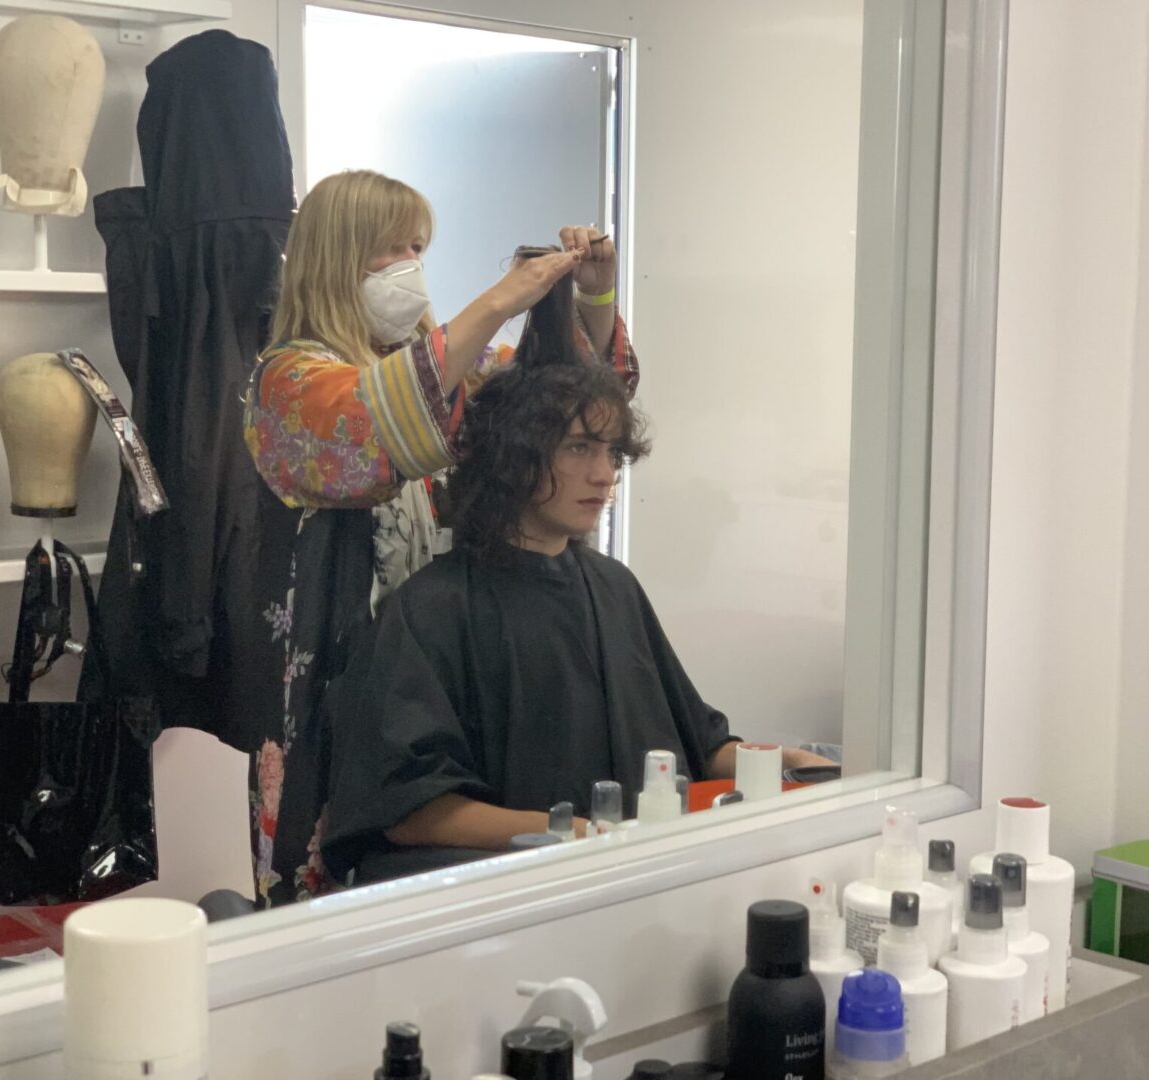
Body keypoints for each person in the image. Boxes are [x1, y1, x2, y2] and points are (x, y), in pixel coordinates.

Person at [240, 169, 636, 906]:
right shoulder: (286, 384)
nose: (411, 267)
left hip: (435, 673)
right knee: (337, 890)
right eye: (391, 249)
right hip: (335, 676)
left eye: (419, 246)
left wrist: (593, 296)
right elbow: (375, 421)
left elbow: (566, 405)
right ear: (335, 257)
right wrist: (497, 302)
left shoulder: (448, 370)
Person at [321, 339, 833, 884]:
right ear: (512, 456)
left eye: (611, 452)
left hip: (635, 886)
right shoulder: (432, 610)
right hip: (512, 906)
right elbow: (409, 812)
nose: (604, 475)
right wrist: (573, 834)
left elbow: (701, 746)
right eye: (578, 449)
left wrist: (792, 762)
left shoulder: (616, 590)